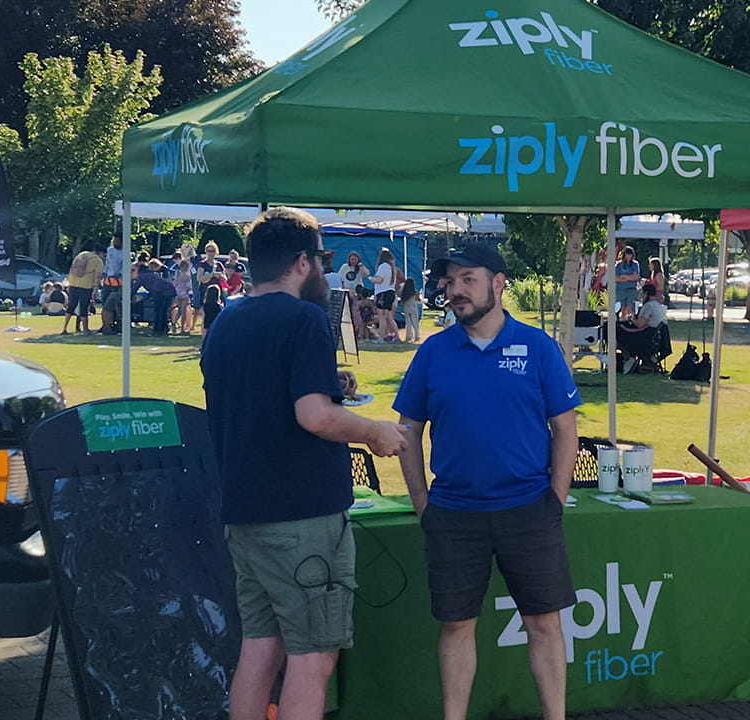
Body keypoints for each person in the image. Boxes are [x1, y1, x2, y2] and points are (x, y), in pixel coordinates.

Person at [200, 206, 408, 720]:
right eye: (320, 257)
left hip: (244, 513)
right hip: (303, 520)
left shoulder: (227, 320)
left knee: (260, 650)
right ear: (301, 261)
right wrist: (375, 433)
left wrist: (327, 384)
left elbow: (261, 396)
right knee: (312, 659)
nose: (323, 266)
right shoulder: (305, 318)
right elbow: (314, 417)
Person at [393, 243, 578, 720]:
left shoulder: (537, 347)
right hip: (454, 514)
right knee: (456, 627)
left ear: (498, 283)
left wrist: (554, 500)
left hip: (528, 510)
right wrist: (422, 503)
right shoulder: (433, 352)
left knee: (543, 624)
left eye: (467, 279)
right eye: (450, 282)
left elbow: (566, 429)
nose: (455, 290)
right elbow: (407, 431)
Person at [617, 283, 668, 373]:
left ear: (646, 294)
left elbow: (639, 324)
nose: (641, 297)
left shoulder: (648, 306)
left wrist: (631, 317)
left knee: (618, 332)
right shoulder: (660, 306)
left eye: (642, 294)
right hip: (655, 338)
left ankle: (628, 358)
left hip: (645, 339)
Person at [63, 247, 105, 334]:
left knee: (71, 306)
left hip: (73, 282)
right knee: (84, 307)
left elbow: (73, 266)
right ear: (101, 253)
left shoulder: (82, 254)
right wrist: (96, 290)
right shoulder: (98, 261)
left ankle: (64, 328)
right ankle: (85, 329)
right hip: (86, 285)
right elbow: (97, 276)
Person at [135, 259, 177, 336]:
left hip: (161, 292)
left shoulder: (142, 276)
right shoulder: (152, 274)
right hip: (170, 290)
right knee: (165, 312)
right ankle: (164, 329)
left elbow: (135, 287)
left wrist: (128, 296)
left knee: (158, 312)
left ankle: (157, 330)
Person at [194, 241, 226, 328]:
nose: (210, 253)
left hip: (217, 293)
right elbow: (199, 278)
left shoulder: (219, 264)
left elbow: (225, 279)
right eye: (208, 251)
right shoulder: (203, 264)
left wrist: (220, 276)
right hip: (205, 293)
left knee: (217, 315)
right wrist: (211, 275)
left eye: (212, 251)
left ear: (216, 252)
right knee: (205, 315)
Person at [372, 248, 398, 342]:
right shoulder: (392, 268)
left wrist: (372, 279)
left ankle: (381, 338)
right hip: (391, 293)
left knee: (382, 317)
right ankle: (397, 337)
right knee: (390, 317)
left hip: (382, 293)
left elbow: (379, 280)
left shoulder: (383, 266)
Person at [614, 246, 641, 317]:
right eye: (627, 254)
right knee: (622, 308)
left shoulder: (635, 264)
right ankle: (623, 321)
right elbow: (616, 278)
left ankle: (630, 322)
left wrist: (624, 276)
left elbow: (635, 277)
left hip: (631, 289)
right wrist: (629, 277)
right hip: (621, 290)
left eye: (630, 254)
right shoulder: (619, 265)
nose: (629, 256)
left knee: (630, 308)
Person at [172, 259, 193, 333]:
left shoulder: (177, 274)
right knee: (183, 311)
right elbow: (189, 286)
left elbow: (174, 284)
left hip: (178, 293)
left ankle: (174, 323)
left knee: (179, 311)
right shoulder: (187, 276)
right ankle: (182, 328)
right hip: (184, 294)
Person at [400, 277, 421, 342]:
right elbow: (418, 299)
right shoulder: (414, 292)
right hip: (413, 307)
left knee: (408, 323)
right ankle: (417, 336)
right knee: (415, 323)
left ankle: (408, 336)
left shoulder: (403, 292)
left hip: (406, 308)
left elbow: (401, 300)